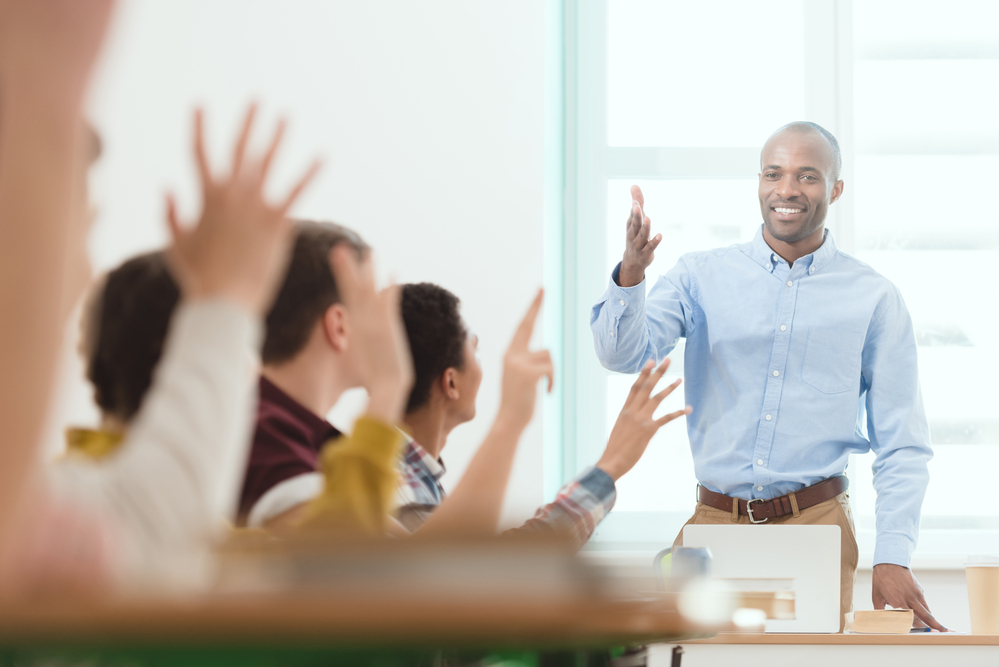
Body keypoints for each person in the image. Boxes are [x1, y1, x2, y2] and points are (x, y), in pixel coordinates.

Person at [590, 121, 940, 631]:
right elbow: (622, 355)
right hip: (712, 522)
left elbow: (902, 443)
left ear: (836, 189)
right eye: (773, 173)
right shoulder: (698, 276)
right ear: (759, 181)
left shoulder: (874, 298)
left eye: (808, 176)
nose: (787, 189)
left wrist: (893, 555)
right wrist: (631, 275)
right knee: (688, 658)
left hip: (817, 523)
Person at [394, 282, 690, 546]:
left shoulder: (416, 480)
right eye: (476, 351)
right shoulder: (396, 486)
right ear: (451, 382)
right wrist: (609, 465)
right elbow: (485, 572)